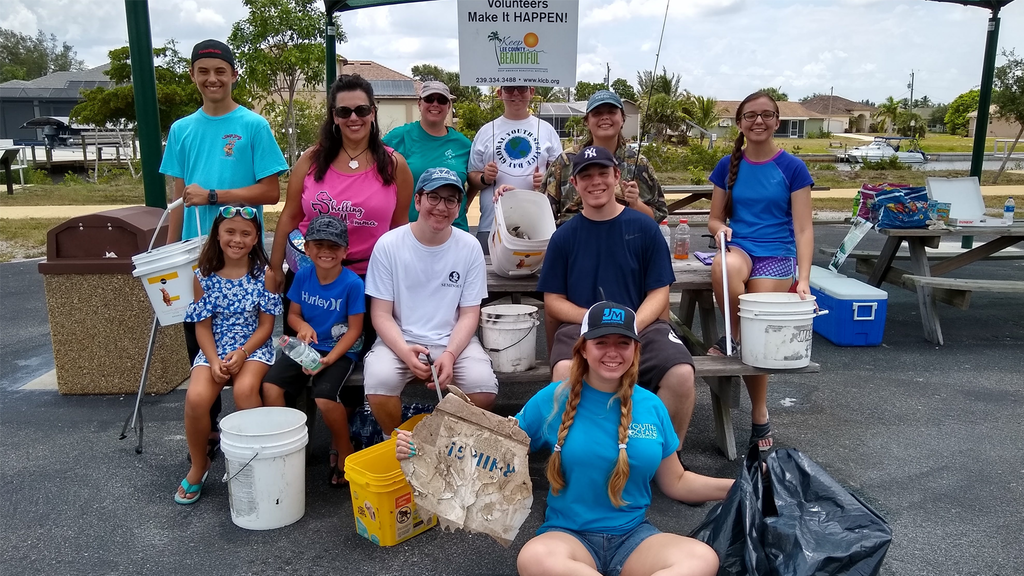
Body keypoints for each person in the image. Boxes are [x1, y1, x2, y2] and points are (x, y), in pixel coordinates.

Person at [396, 302, 731, 576]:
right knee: (534, 558)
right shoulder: (552, 400)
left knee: (701, 559)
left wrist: (740, 484)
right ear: (583, 348)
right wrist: (424, 448)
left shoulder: (651, 405)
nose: (612, 352)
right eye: (602, 342)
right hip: (568, 539)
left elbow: (677, 482)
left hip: (634, 538)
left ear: (635, 349)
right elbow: (491, 449)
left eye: (622, 343)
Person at [160, 39, 288, 463]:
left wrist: (215, 195)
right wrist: (169, 255)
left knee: (250, 330)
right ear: (194, 76)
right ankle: (210, 433)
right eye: (203, 72)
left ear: (233, 75)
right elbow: (177, 198)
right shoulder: (181, 129)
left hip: (241, 246)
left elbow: (270, 191)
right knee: (198, 336)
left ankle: (251, 439)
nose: (212, 79)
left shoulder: (253, 125)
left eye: (220, 71)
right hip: (197, 255)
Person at [537, 146, 697, 447]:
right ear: (574, 184)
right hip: (581, 329)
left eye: (602, 173)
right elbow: (553, 302)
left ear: (617, 176)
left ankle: (665, 460)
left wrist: (631, 324)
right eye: (586, 176)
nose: (595, 181)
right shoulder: (563, 238)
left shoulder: (646, 228)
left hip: (642, 326)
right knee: (563, 373)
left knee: (681, 373)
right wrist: (592, 320)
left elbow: (659, 291)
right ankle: (577, 453)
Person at [266, 73, 413, 351]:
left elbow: (399, 229)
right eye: (344, 111)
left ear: (373, 112)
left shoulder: (395, 165)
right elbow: (289, 216)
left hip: (368, 282)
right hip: (311, 279)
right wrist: (275, 269)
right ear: (334, 116)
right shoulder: (311, 160)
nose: (353, 118)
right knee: (304, 362)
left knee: (358, 364)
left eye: (362, 109)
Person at [707, 91, 814, 452]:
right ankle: (733, 336)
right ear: (739, 123)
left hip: (777, 255)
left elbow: (803, 229)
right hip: (741, 248)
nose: (758, 121)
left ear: (777, 121)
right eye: (750, 115)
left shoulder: (793, 168)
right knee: (723, 266)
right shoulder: (727, 165)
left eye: (766, 115)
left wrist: (803, 279)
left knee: (758, 329)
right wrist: (719, 229)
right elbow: (715, 217)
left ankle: (759, 412)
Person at [362, 167, 498, 435]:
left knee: (483, 388)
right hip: (400, 338)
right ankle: (397, 442)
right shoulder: (389, 245)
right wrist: (403, 351)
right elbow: (380, 314)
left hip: (452, 339)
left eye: (450, 200)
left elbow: (470, 314)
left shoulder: (469, 247)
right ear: (418, 200)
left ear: (459, 208)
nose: (441, 207)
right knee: (379, 383)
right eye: (433, 197)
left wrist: (450, 354)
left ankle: (447, 444)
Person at [175, 206, 282, 504]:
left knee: (246, 391)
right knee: (196, 398)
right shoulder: (204, 276)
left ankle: (254, 463)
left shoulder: (265, 275)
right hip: (215, 348)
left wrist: (244, 351)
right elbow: (203, 327)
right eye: (230, 232)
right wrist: (211, 360)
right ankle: (200, 464)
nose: (237, 239)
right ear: (217, 235)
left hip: (253, 346)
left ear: (256, 237)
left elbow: (266, 326)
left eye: (246, 233)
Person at [262, 215, 364, 487]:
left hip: (340, 351)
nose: (326, 252)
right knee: (271, 387)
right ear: (306, 249)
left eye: (334, 246)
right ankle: (287, 447)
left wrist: (329, 359)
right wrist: (303, 326)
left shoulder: (353, 283)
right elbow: (293, 314)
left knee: (324, 398)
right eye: (318, 245)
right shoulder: (304, 275)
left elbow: (354, 330)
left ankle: (345, 452)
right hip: (305, 348)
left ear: (345, 251)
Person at [541, 90, 668, 226]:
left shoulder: (639, 163)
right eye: (597, 113)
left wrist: (636, 204)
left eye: (611, 112)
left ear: (622, 118)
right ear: (587, 122)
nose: (605, 117)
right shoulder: (566, 161)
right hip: (573, 243)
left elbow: (658, 216)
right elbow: (543, 214)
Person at [468, 85, 562, 253]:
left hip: (536, 226)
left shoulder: (547, 130)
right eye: (510, 88)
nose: (516, 93)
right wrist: (485, 178)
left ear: (531, 92)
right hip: (491, 225)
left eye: (522, 88)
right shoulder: (485, 131)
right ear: (499, 93)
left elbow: (561, 175)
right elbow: (472, 176)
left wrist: (546, 180)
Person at [383, 81, 481, 233]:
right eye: (429, 99)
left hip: (455, 230)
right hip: (411, 232)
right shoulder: (398, 137)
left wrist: (465, 203)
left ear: (448, 106)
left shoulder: (463, 144)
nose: (435, 104)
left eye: (441, 100)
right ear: (419, 104)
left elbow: (474, 177)